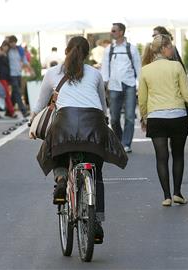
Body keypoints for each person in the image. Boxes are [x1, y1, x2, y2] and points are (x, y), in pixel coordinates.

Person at [31, 36, 128, 244]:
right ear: (87, 54)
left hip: (64, 124)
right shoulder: (95, 74)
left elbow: (39, 106)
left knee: (54, 147)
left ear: (66, 50)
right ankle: (97, 222)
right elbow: (103, 107)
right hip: (92, 125)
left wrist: (32, 124)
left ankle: (61, 179)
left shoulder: (51, 74)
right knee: (96, 172)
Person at [139, 34, 188, 206]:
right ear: (163, 48)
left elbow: (142, 98)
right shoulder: (176, 66)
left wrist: (144, 116)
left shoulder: (145, 70)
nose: (172, 49)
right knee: (178, 155)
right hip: (178, 115)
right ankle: (178, 193)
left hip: (156, 116)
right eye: (170, 46)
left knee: (161, 157)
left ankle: (167, 196)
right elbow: (186, 93)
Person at [101, 23, 142, 153]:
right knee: (114, 117)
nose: (111, 32)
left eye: (114, 30)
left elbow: (138, 67)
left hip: (129, 84)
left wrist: (140, 85)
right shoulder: (109, 49)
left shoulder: (132, 49)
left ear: (121, 32)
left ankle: (126, 143)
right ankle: (119, 141)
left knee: (130, 116)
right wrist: (104, 83)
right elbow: (105, 67)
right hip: (113, 86)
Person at [7, 35, 31, 117]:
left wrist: (29, 68)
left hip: (18, 73)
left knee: (14, 92)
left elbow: (24, 59)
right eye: (11, 43)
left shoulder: (19, 49)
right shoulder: (8, 51)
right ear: (9, 43)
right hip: (11, 74)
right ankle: (23, 111)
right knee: (17, 92)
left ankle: (8, 111)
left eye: (14, 42)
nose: (13, 44)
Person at [0, 41, 16, 118]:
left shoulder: (7, 55)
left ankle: (9, 112)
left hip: (7, 78)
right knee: (6, 95)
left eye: (7, 46)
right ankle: (12, 112)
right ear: (2, 46)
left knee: (7, 95)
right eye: (4, 46)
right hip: (1, 78)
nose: (6, 47)